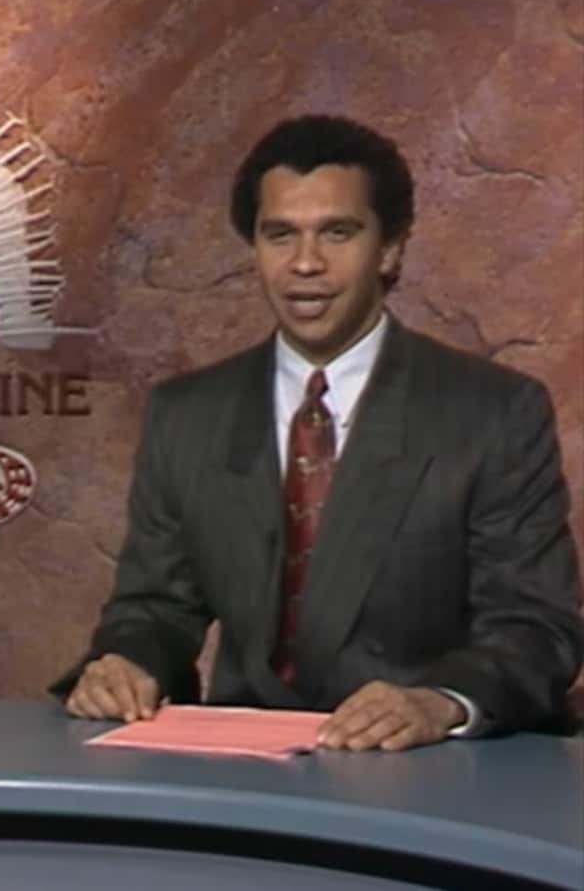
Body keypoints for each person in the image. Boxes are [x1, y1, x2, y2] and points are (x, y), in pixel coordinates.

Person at [58, 115, 582, 751]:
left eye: (337, 233)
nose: (305, 263)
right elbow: (154, 610)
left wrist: (440, 701)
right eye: (280, 235)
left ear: (390, 248)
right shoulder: (187, 413)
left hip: (423, 772)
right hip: (239, 772)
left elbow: (535, 627)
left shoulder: (494, 413)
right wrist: (127, 663)